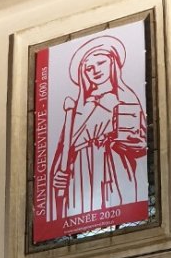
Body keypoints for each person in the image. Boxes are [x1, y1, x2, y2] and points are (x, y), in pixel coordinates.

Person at [48, 34, 148, 225]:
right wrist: (60, 175)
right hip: (81, 174)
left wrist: (120, 139)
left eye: (101, 63)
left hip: (113, 166)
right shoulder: (77, 108)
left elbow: (140, 143)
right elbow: (65, 150)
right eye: (89, 68)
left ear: (112, 63)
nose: (95, 71)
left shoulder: (126, 98)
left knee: (117, 205)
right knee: (81, 212)